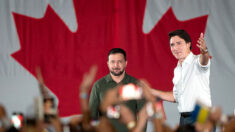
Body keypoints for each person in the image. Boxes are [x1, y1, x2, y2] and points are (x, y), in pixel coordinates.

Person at [150, 29, 212, 126]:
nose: (175, 48)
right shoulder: (177, 69)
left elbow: (204, 61)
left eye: (179, 43)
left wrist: (204, 51)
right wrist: (151, 91)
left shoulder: (197, 61)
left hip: (201, 115)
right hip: (184, 118)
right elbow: (175, 97)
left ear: (188, 44)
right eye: (172, 45)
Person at [89, 48, 145, 132]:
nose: (116, 65)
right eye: (112, 62)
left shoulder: (136, 84)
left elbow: (143, 115)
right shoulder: (98, 85)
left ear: (125, 63)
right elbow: (91, 116)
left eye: (119, 62)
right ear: (108, 64)